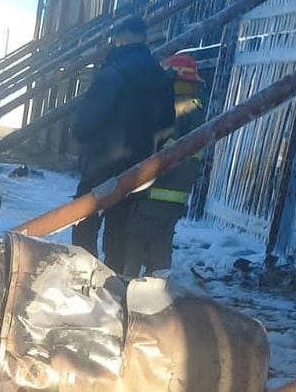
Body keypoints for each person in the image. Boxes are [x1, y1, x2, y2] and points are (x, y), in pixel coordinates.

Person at [70, 16, 174, 271]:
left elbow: (86, 121)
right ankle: (113, 279)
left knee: (85, 219)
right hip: (139, 166)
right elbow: (167, 123)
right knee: (120, 226)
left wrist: (82, 138)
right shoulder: (161, 77)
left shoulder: (113, 72)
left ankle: (80, 276)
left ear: (122, 37)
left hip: (102, 162)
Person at [118, 53, 207, 278]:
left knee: (135, 238)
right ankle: (156, 294)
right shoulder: (197, 110)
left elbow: (159, 149)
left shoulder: (176, 110)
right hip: (176, 197)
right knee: (161, 243)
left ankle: (127, 287)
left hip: (155, 191)